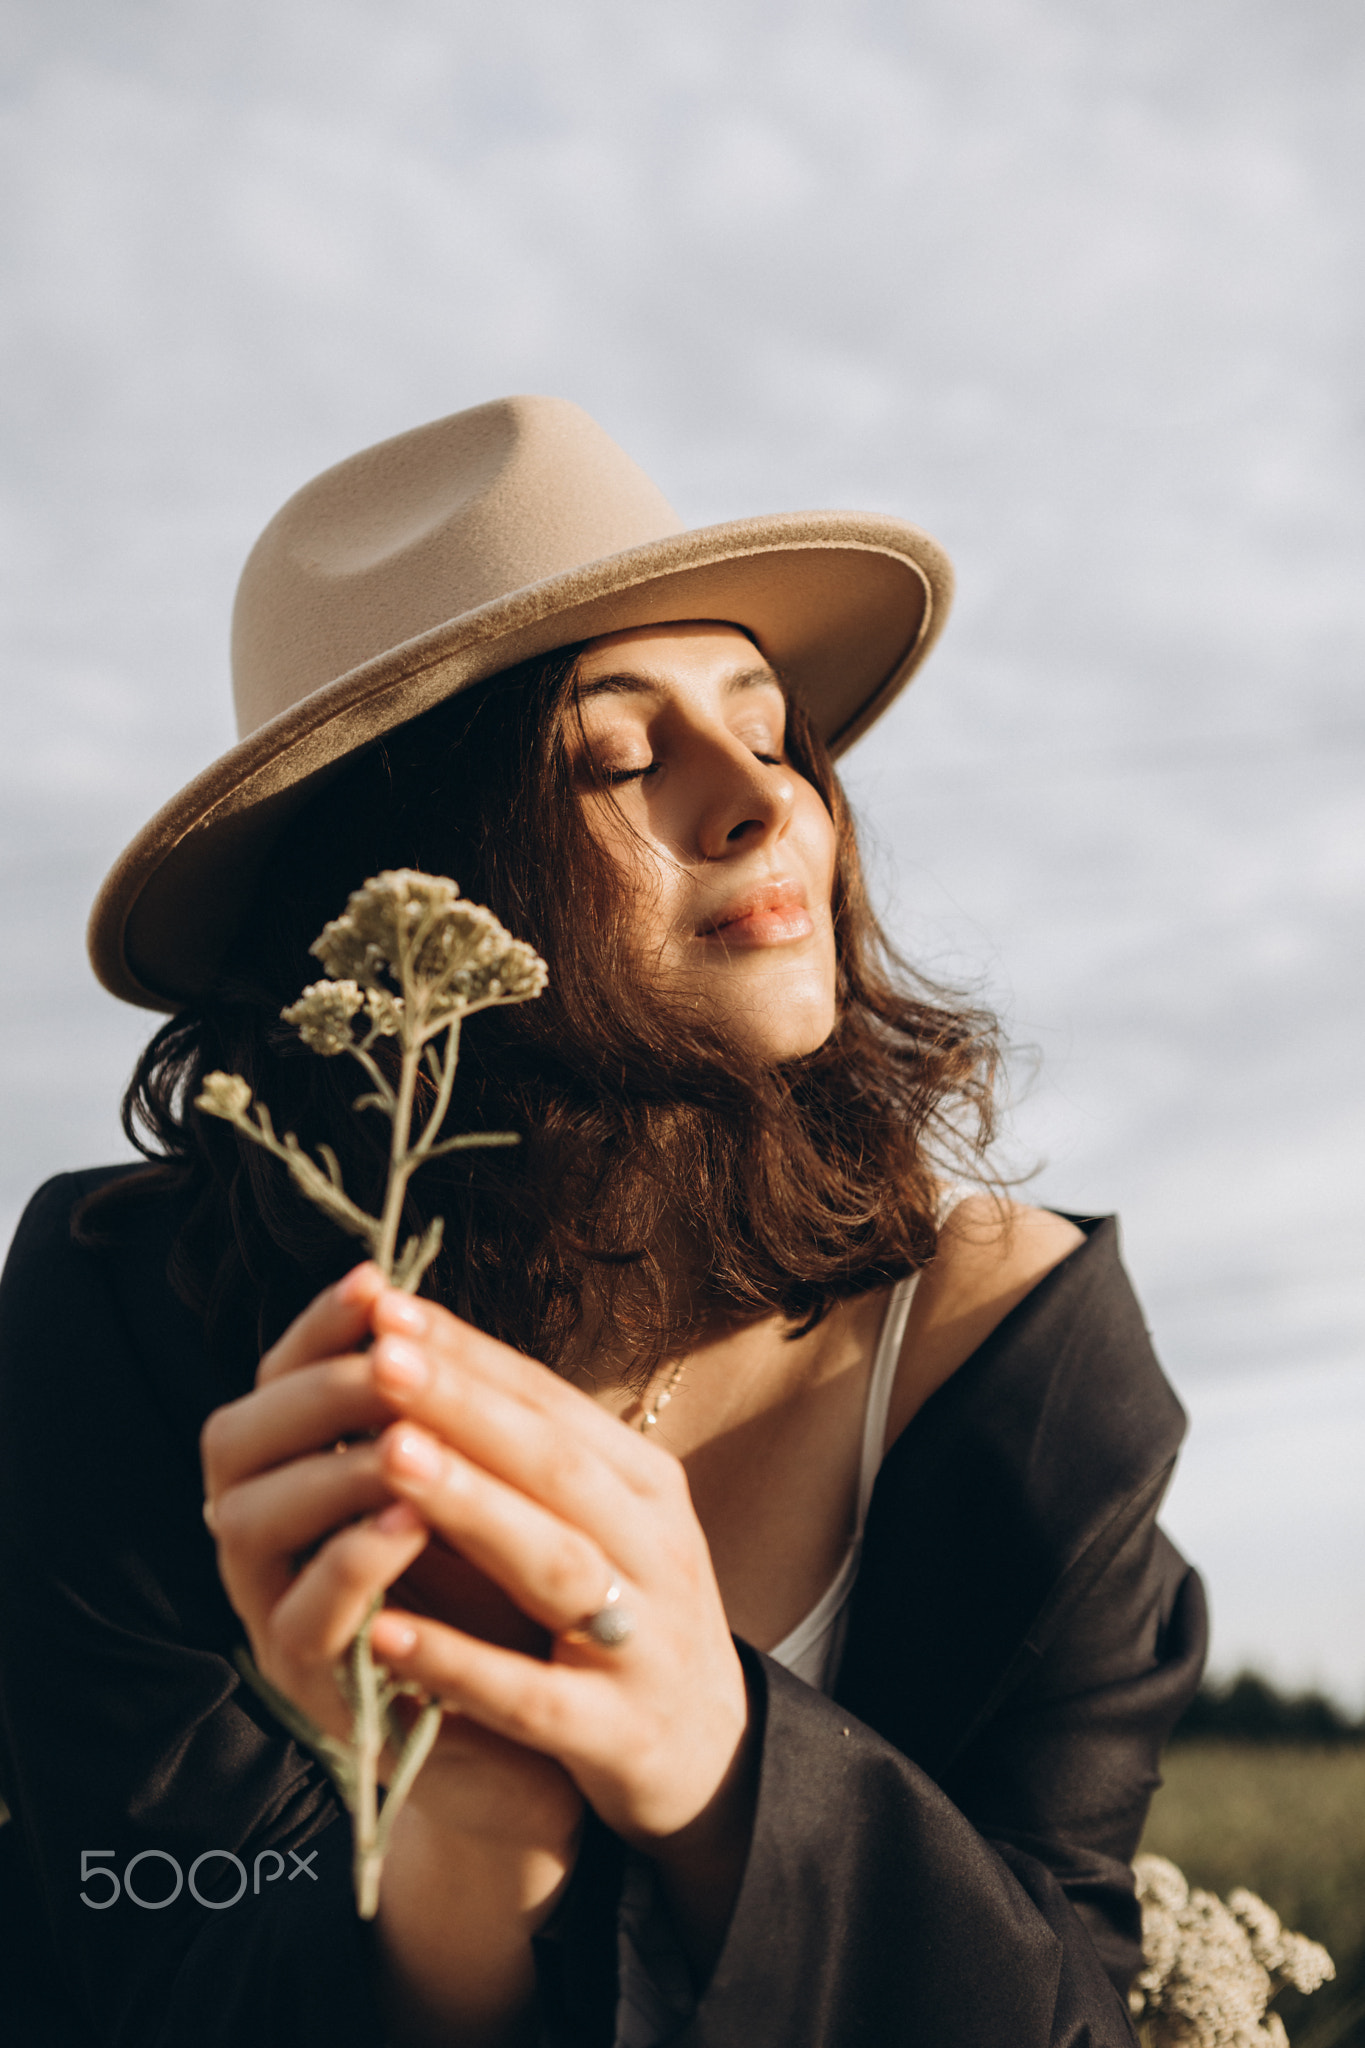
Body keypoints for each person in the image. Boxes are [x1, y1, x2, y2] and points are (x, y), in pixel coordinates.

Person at [0, 397, 1205, 2047]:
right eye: (618, 755)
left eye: (772, 731)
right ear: (400, 878)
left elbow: (1062, 2004)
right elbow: (135, 1949)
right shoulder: (133, 1313)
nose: (759, 802)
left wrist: (718, 1767)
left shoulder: (1009, 1343)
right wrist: (466, 1856)